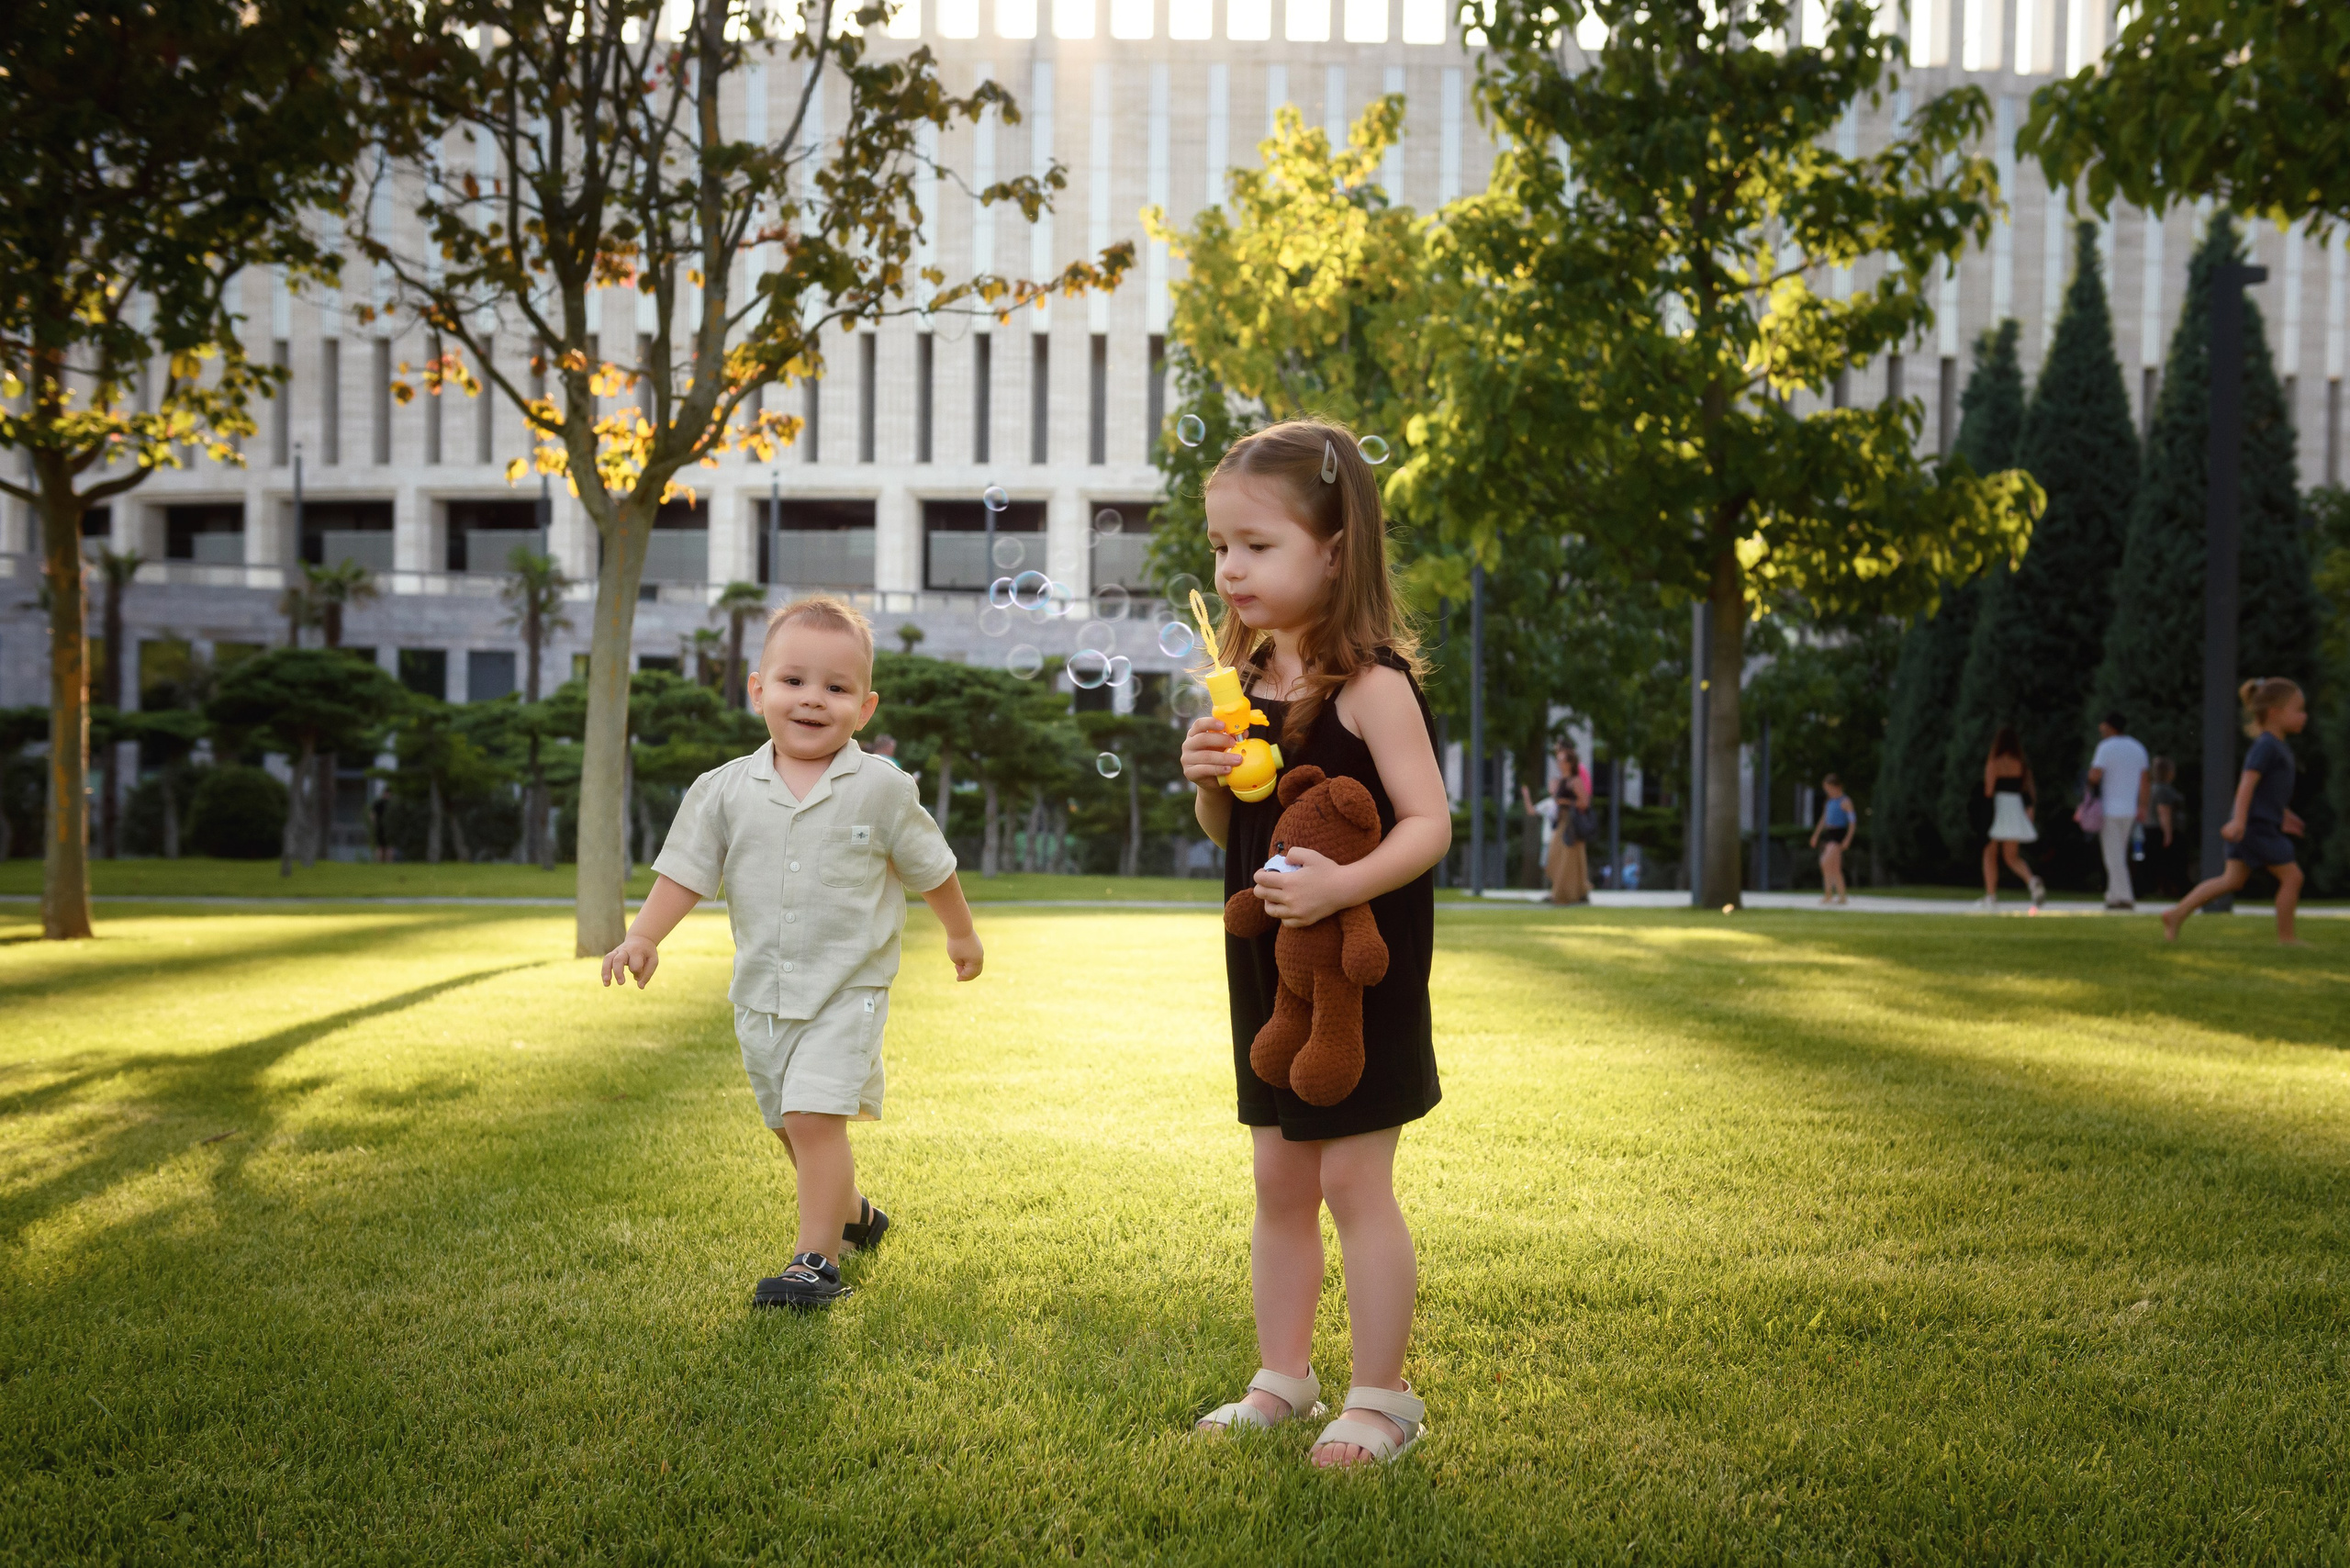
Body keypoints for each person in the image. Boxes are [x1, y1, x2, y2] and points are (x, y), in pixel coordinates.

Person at [1181, 419, 1449, 1469]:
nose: (1229, 568)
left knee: (1351, 1181)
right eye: (1219, 547)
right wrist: (1206, 780)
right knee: (1280, 1179)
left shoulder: (1372, 687)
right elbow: (1233, 834)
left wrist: (1341, 881)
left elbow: (1428, 824)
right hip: (1272, 968)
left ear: (1334, 549)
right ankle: (1281, 1376)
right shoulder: (1245, 685)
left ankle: (1381, 1398)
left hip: (1360, 963)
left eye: (1256, 545)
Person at [600, 594, 984, 1310]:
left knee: (813, 1118)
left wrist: (960, 933)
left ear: (864, 708)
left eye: (837, 689)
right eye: (794, 681)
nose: (814, 700)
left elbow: (934, 867)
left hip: (847, 991)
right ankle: (857, 1215)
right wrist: (643, 935)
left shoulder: (882, 789)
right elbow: (685, 871)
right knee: (787, 1123)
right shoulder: (722, 791)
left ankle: (816, 1261)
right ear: (758, 691)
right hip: (763, 993)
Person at [2162, 678, 2310, 946]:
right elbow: (2247, 784)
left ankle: (2175, 915)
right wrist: (2239, 820)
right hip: (2255, 827)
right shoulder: (2266, 746)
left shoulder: (2277, 746)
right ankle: (2286, 938)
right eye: (2298, 709)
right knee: (2293, 877)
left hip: (2257, 824)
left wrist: (2284, 814)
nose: (2304, 716)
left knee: (2231, 880)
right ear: (2275, 713)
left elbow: (2267, 792)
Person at [2086, 711, 2152, 911]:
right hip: (2129, 809)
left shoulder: (2105, 748)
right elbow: (2145, 781)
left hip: (2110, 808)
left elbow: (2095, 775)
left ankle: (2124, 896)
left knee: (2113, 855)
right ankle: (2113, 895)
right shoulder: (2137, 748)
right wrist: (2143, 806)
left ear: (2110, 726)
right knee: (2119, 853)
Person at [1979, 727, 2047, 910]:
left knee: (1989, 853)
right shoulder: (2021, 764)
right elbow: (2027, 790)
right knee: (2011, 856)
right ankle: (2032, 881)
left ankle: (1991, 896)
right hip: (2015, 808)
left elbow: (1988, 791)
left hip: (1999, 808)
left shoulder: (1995, 763)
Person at [1536, 741, 1593, 904]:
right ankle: (1568, 892)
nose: (1558, 763)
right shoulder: (1562, 780)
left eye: (1561, 760)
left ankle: (1563, 894)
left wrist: (1565, 803)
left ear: (1569, 763)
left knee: (1569, 859)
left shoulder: (1575, 780)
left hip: (1571, 823)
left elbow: (1585, 803)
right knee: (1554, 857)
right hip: (1560, 822)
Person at [1809, 773, 1855, 904]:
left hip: (1838, 834)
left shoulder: (1845, 802)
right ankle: (1841, 896)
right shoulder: (1829, 801)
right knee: (1835, 867)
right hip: (1829, 833)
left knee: (1825, 862)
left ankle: (1829, 893)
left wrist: (1848, 839)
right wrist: (1816, 835)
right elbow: (1823, 819)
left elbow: (1852, 822)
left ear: (1835, 786)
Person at [2146, 756, 2188, 899]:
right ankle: (2170, 889)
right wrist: (2168, 833)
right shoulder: (2164, 790)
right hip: (2161, 829)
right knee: (2168, 862)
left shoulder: (2151, 788)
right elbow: (2164, 811)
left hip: (2150, 827)